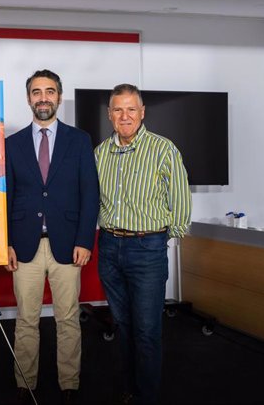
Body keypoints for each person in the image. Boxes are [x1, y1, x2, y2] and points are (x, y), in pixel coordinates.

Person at [5, 69, 100, 405]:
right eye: (36, 92)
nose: (42, 97)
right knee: (26, 319)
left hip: (68, 243)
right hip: (25, 246)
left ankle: (69, 383)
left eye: (49, 91)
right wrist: (7, 243)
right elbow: (6, 196)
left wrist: (85, 240)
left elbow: (90, 194)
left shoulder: (79, 140)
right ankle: (24, 382)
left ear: (59, 97)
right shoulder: (12, 144)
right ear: (29, 98)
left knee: (68, 318)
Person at [94, 84, 192, 405]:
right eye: (118, 110)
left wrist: (162, 238)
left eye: (131, 109)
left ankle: (146, 396)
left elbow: (180, 199)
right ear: (109, 114)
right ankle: (129, 389)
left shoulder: (163, 149)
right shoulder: (99, 153)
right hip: (109, 248)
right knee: (123, 324)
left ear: (142, 112)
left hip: (147, 249)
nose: (125, 116)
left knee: (147, 329)